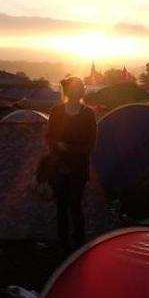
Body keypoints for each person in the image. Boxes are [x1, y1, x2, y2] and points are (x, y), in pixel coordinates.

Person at [46, 77, 97, 250]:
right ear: (67, 91)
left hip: (78, 167)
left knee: (75, 204)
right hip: (58, 166)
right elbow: (49, 137)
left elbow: (90, 144)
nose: (77, 91)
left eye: (79, 88)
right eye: (74, 89)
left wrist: (68, 148)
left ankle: (78, 242)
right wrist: (57, 145)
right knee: (61, 205)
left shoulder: (88, 114)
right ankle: (63, 243)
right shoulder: (57, 111)